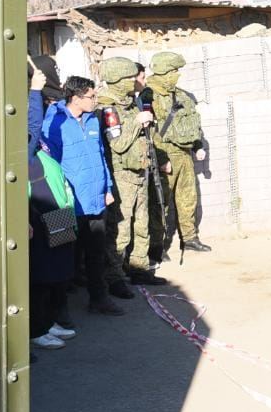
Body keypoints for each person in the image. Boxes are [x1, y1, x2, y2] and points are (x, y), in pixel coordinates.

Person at [41, 75, 123, 317]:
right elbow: (49, 165)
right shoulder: (52, 123)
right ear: (75, 98)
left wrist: (107, 188)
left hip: (95, 197)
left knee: (96, 254)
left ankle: (99, 299)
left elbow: (100, 155)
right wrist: (56, 197)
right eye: (91, 96)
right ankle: (58, 310)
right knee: (61, 256)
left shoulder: (93, 121)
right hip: (65, 202)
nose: (95, 100)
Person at [95, 57, 165, 288]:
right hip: (121, 175)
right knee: (121, 229)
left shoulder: (130, 102)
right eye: (129, 77)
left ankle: (139, 268)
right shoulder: (108, 107)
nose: (134, 81)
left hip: (140, 170)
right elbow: (118, 144)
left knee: (141, 224)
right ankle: (114, 277)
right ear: (116, 80)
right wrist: (137, 122)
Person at [27, 64, 76, 349]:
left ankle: (49, 321)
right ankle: (37, 328)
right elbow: (32, 125)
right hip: (40, 212)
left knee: (59, 271)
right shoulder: (24, 143)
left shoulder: (40, 139)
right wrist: (34, 92)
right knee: (41, 276)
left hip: (59, 210)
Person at [144, 52, 211, 255]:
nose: (177, 75)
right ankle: (157, 245)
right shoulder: (148, 96)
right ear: (163, 72)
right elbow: (148, 133)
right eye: (173, 71)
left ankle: (190, 238)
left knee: (188, 198)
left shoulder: (181, 95)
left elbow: (192, 124)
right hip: (165, 154)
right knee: (160, 203)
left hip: (184, 154)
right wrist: (161, 159)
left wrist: (198, 146)